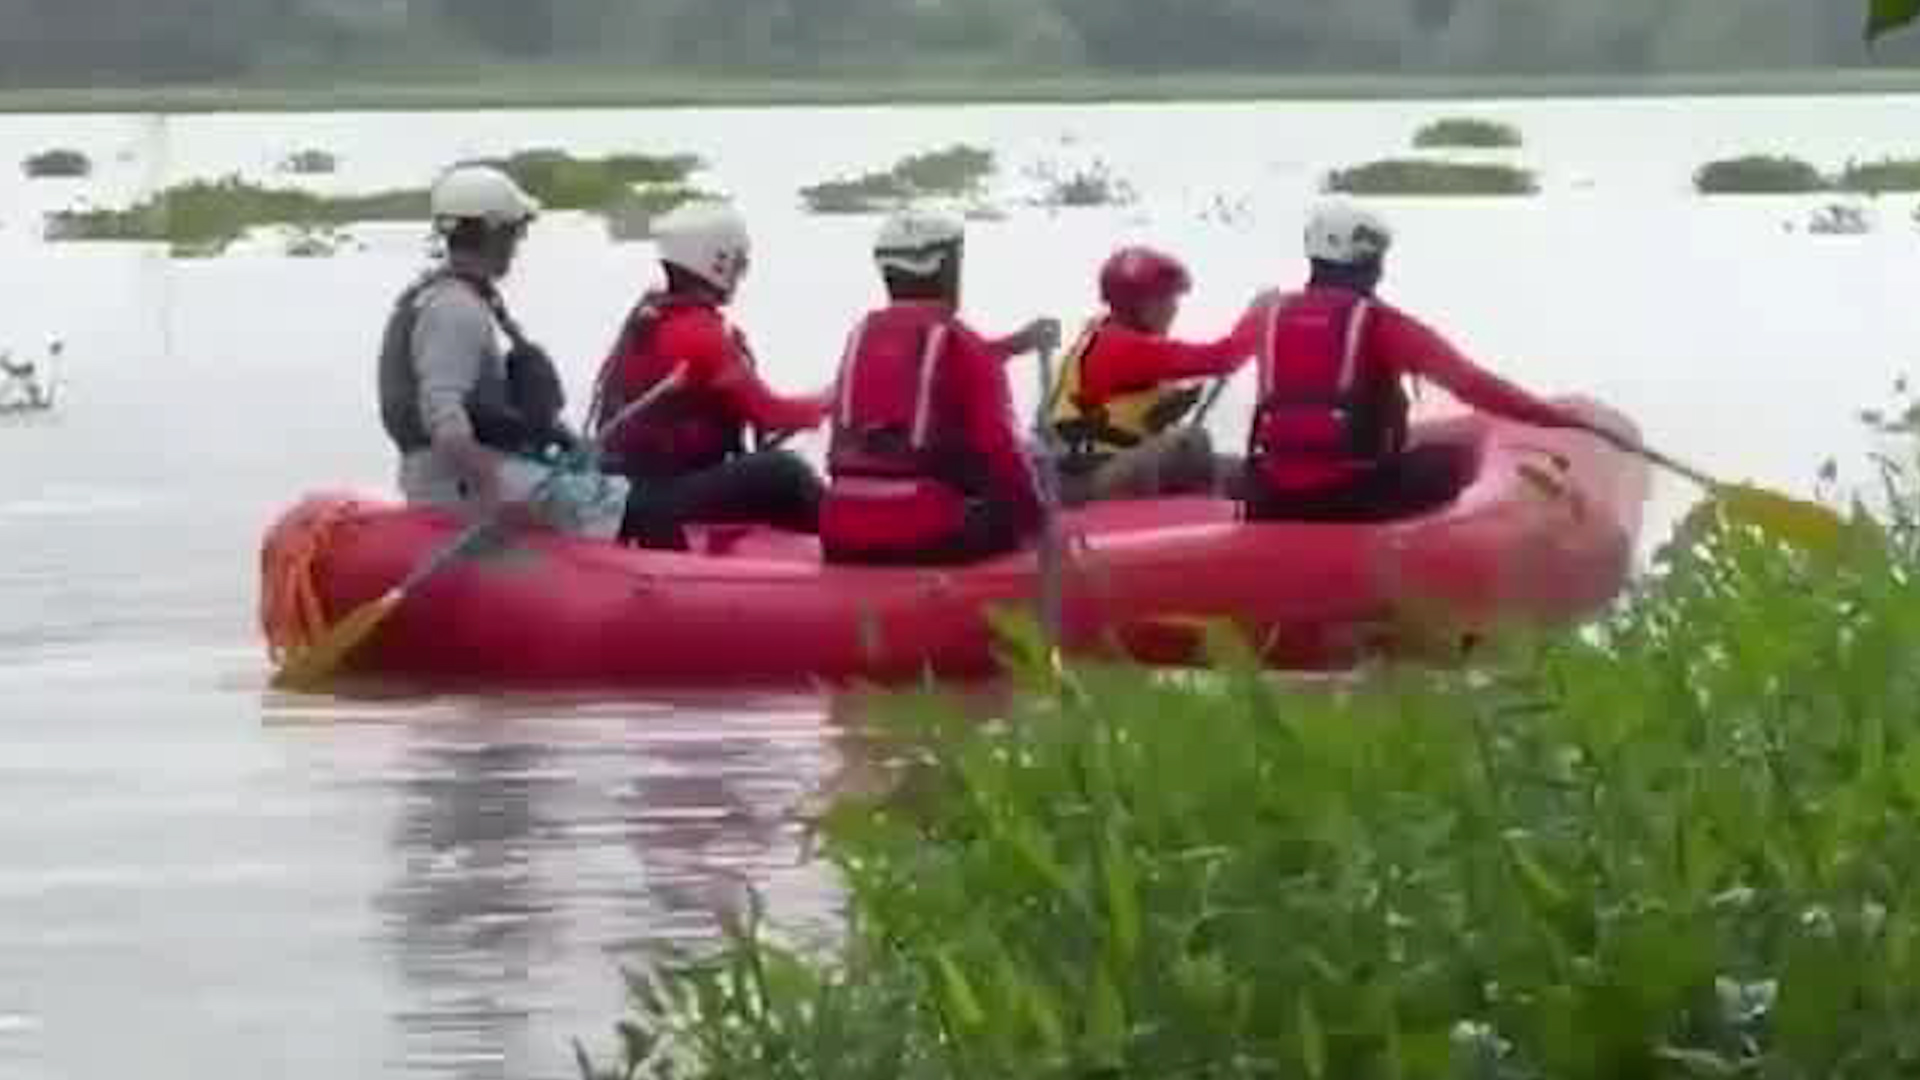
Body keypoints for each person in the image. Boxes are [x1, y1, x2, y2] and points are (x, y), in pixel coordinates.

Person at [1236, 202, 1591, 522]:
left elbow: (1213, 357)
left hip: (1271, 500)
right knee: (1448, 463)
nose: (1380, 271)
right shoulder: (1381, 323)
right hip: (1356, 498)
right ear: (1368, 263)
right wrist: (1555, 418)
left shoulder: (1268, 316)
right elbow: (1472, 384)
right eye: (1378, 261)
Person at [819, 209, 1062, 565]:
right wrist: (1040, 524)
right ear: (947, 267)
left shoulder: (863, 336)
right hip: (925, 535)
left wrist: (1016, 343)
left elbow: (933, 373)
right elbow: (1001, 448)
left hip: (841, 532)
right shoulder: (961, 344)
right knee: (1032, 462)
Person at [590, 200, 829, 551]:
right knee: (783, 471)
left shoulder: (650, 317)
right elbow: (769, 414)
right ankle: (862, 545)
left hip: (639, 487)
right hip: (664, 494)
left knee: (764, 469)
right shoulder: (699, 333)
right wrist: (830, 402)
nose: (741, 273)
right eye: (738, 262)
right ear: (715, 261)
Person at [377, 164, 580, 522]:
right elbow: (442, 412)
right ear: (493, 233)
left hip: (461, 473)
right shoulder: (456, 309)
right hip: (455, 486)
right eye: (515, 233)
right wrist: (492, 489)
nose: (518, 245)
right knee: (640, 506)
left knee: (606, 477)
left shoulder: (450, 295)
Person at [1046, 246, 1233, 504]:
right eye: (1163, 299)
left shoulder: (1103, 335)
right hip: (1090, 480)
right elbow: (1222, 357)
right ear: (1132, 305)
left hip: (1086, 470)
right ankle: (1208, 526)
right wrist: (1262, 318)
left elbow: (1119, 412)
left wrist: (1167, 407)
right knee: (1191, 442)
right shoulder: (1123, 347)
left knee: (1228, 465)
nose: (1172, 308)